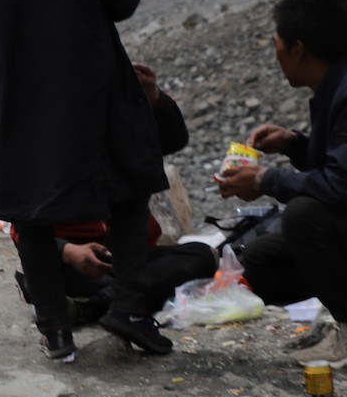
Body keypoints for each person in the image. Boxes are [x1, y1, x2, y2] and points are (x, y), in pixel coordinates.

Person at [0, 0, 172, 360]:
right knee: (129, 176)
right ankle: (128, 309)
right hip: (87, 71)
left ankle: (54, 329)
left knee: (27, 195)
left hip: (15, 78)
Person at [217, 0, 347, 367]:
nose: (275, 53)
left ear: (297, 49)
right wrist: (294, 144)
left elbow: (342, 187)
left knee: (303, 216)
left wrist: (264, 180)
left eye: (276, 43)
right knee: (261, 260)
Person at [14, 64, 218, 324]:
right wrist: (70, 251)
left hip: (120, 257)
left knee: (202, 257)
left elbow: (172, 140)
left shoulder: (116, 137)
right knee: (56, 275)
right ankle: (118, 300)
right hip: (73, 261)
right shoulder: (44, 153)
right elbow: (21, 231)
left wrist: (152, 96)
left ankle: (92, 307)